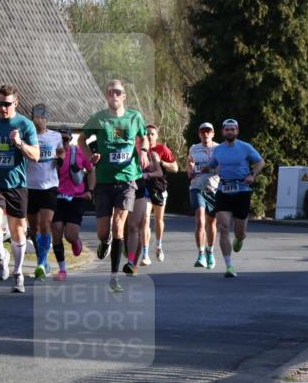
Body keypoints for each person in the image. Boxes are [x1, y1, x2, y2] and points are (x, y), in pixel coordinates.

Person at [78, 79, 149, 293]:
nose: (114, 95)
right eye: (110, 92)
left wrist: (144, 151)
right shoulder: (98, 119)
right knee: (103, 231)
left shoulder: (134, 117)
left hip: (127, 180)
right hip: (104, 181)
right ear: (107, 96)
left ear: (124, 96)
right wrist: (91, 157)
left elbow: (144, 138)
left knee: (119, 226)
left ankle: (114, 277)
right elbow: (81, 140)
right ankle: (105, 241)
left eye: (118, 92)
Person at [0, 85, 38, 293]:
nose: (2, 108)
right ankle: (2, 256)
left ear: (16, 103)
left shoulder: (25, 124)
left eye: (7, 104)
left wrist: (20, 143)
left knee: (18, 231)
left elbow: (36, 155)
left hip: (17, 185)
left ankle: (18, 273)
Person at [207, 118, 265, 278]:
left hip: (242, 192)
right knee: (223, 227)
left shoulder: (245, 147)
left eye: (233, 129)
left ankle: (239, 239)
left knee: (240, 233)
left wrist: (252, 175)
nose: (230, 132)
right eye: (227, 129)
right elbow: (212, 164)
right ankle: (229, 266)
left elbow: (261, 162)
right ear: (223, 131)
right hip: (223, 191)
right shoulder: (218, 150)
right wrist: (203, 168)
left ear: (237, 131)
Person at [51, 126, 94, 281]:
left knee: (70, 235)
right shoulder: (52, 154)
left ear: (70, 139)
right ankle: (62, 270)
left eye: (66, 139)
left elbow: (91, 170)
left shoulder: (78, 153)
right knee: (56, 231)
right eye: (60, 139)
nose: (63, 142)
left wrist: (90, 190)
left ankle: (75, 240)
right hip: (57, 198)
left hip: (76, 198)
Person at [26, 104, 62, 281]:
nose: (39, 120)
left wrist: (61, 159)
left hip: (49, 187)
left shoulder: (55, 136)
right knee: (34, 228)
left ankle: (41, 262)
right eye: (36, 117)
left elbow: (61, 152)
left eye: (42, 117)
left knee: (45, 224)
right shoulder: (27, 136)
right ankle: (44, 261)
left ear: (47, 119)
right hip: (29, 186)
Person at [139, 124, 178, 265]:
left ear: (157, 136)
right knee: (144, 218)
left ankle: (159, 246)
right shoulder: (139, 149)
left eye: (152, 134)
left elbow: (175, 167)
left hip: (159, 188)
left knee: (158, 220)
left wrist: (162, 162)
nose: (149, 136)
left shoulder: (162, 149)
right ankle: (145, 254)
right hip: (144, 189)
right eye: (147, 133)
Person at [187, 122, 219, 270]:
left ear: (213, 133)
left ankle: (210, 251)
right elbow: (189, 169)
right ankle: (200, 254)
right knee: (199, 220)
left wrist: (210, 168)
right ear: (199, 134)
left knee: (211, 224)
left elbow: (223, 168)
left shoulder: (219, 149)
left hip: (213, 189)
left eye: (208, 131)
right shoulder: (194, 148)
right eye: (202, 131)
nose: (205, 134)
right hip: (196, 188)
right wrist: (191, 170)